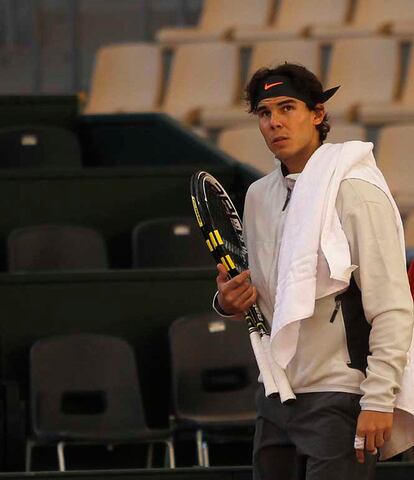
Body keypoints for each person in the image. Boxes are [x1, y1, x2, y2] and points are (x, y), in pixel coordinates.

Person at [213, 63, 414, 479]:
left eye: (287, 108)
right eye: (265, 113)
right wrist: (228, 301)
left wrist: (378, 398)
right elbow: (268, 298)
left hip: (342, 396)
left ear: (318, 114)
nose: (275, 122)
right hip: (276, 396)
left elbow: (392, 306)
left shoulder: (357, 192)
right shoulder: (257, 196)